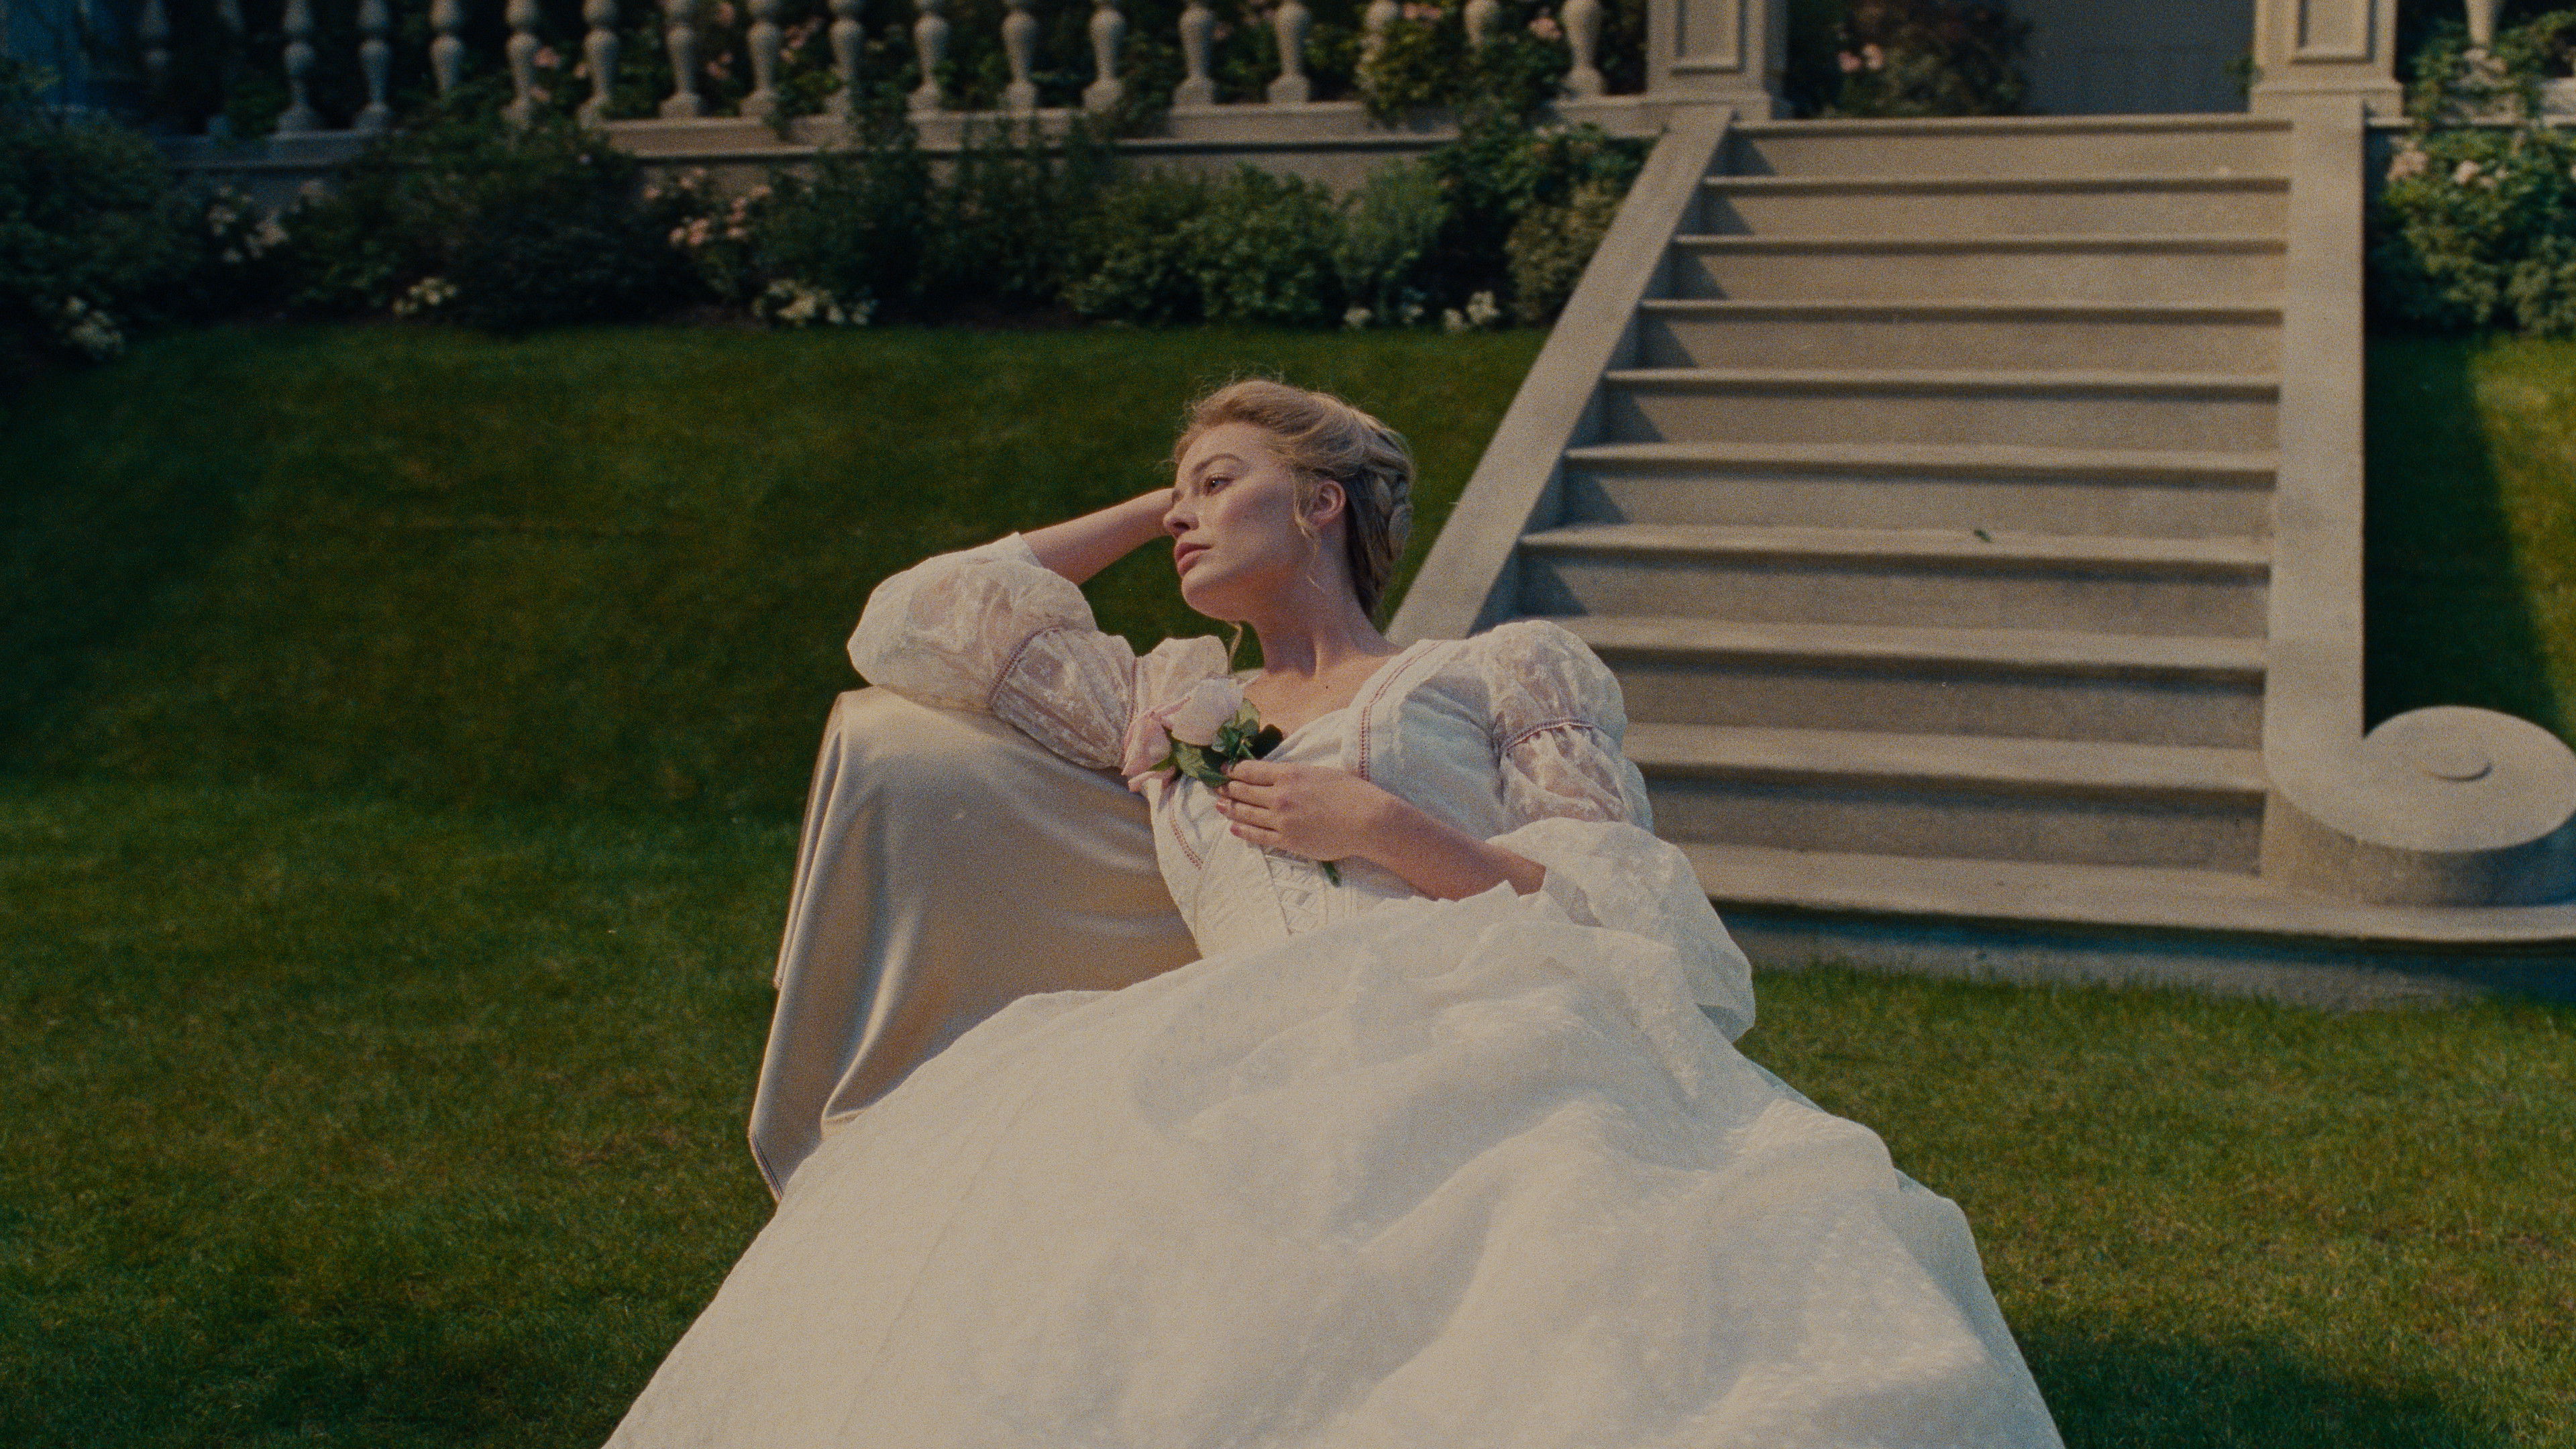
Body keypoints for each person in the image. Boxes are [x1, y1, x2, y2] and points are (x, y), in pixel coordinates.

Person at [608, 380, 2065, 1448]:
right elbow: (915, 618)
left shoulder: (1501, 670)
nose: (1184, 518)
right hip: (1226, 1041)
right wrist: (1159, 506)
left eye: (1219, 484)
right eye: (1176, 498)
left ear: (1323, 505)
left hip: (1480, 1017)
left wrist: (1389, 831)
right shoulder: (1164, 697)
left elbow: (1630, 914)